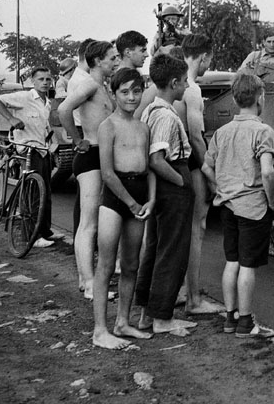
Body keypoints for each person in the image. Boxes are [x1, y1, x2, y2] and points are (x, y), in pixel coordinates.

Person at [201, 72, 274, 338]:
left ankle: (231, 317)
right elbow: (268, 172)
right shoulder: (263, 131)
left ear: (234, 100)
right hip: (254, 207)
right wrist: (272, 200)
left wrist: (219, 189)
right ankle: (247, 323)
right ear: (261, 98)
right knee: (248, 265)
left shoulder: (222, 132)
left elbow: (206, 167)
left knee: (231, 261)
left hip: (228, 205)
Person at [92, 68, 156, 350]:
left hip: (140, 195)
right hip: (116, 200)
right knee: (106, 265)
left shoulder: (143, 126)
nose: (132, 97)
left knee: (131, 264)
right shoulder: (108, 126)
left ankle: (123, 321)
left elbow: (149, 167)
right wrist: (130, 203)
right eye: (125, 92)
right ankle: (99, 330)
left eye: (137, 91)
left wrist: (151, 199)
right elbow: (107, 173)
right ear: (114, 92)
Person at [135, 54, 198, 335]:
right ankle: (162, 318)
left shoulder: (150, 109)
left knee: (157, 246)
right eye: (184, 81)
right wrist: (181, 182)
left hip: (163, 186)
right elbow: (156, 158)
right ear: (173, 82)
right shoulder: (165, 115)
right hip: (172, 183)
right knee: (173, 250)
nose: (186, 86)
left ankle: (148, 314)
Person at [58, 41, 120, 299]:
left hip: (102, 154)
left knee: (96, 220)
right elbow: (63, 109)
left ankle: (89, 280)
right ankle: (89, 283)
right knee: (88, 223)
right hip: (90, 154)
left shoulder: (103, 86)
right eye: (112, 58)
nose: (116, 62)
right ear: (97, 61)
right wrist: (76, 139)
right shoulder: (90, 84)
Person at [176, 34, 225, 315]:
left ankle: (182, 290)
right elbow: (195, 136)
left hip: (173, 162)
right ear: (203, 57)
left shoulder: (172, 83)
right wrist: (210, 172)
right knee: (197, 228)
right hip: (191, 162)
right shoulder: (192, 89)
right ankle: (193, 298)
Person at [0, 67, 60, 248]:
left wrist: (52, 143)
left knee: (45, 191)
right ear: (33, 81)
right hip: (27, 150)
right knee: (31, 192)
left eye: (48, 79)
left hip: (42, 150)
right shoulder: (24, 97)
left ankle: (44, 230)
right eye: (41, 79)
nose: (45, 82)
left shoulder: (47, 102)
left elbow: (45, 125)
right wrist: (10, 119)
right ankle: (30, 235)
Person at [67, 38, 96, 239]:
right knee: (85, 198)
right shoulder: (82, 81)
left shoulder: (80, 77)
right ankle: (83, 239)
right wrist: (78, 140)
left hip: (83, 131)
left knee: (85, 197)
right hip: (83, 133)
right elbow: (65, 109)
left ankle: (83, 238)